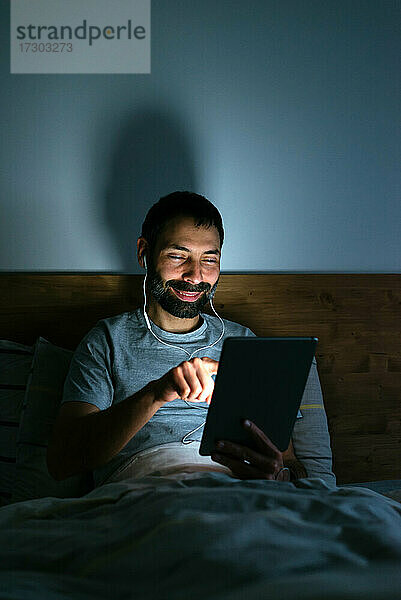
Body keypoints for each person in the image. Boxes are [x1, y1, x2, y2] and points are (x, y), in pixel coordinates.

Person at [47, 191, 335, 488]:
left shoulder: (244, 343)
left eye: (209, 260)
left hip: (237, 491)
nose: (195, 276)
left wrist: (278, 474)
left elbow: (290, 464)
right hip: (146, 492)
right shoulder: (107, 341)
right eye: (177, 255)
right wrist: (159, 392)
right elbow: (62, 461)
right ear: (144, 252)